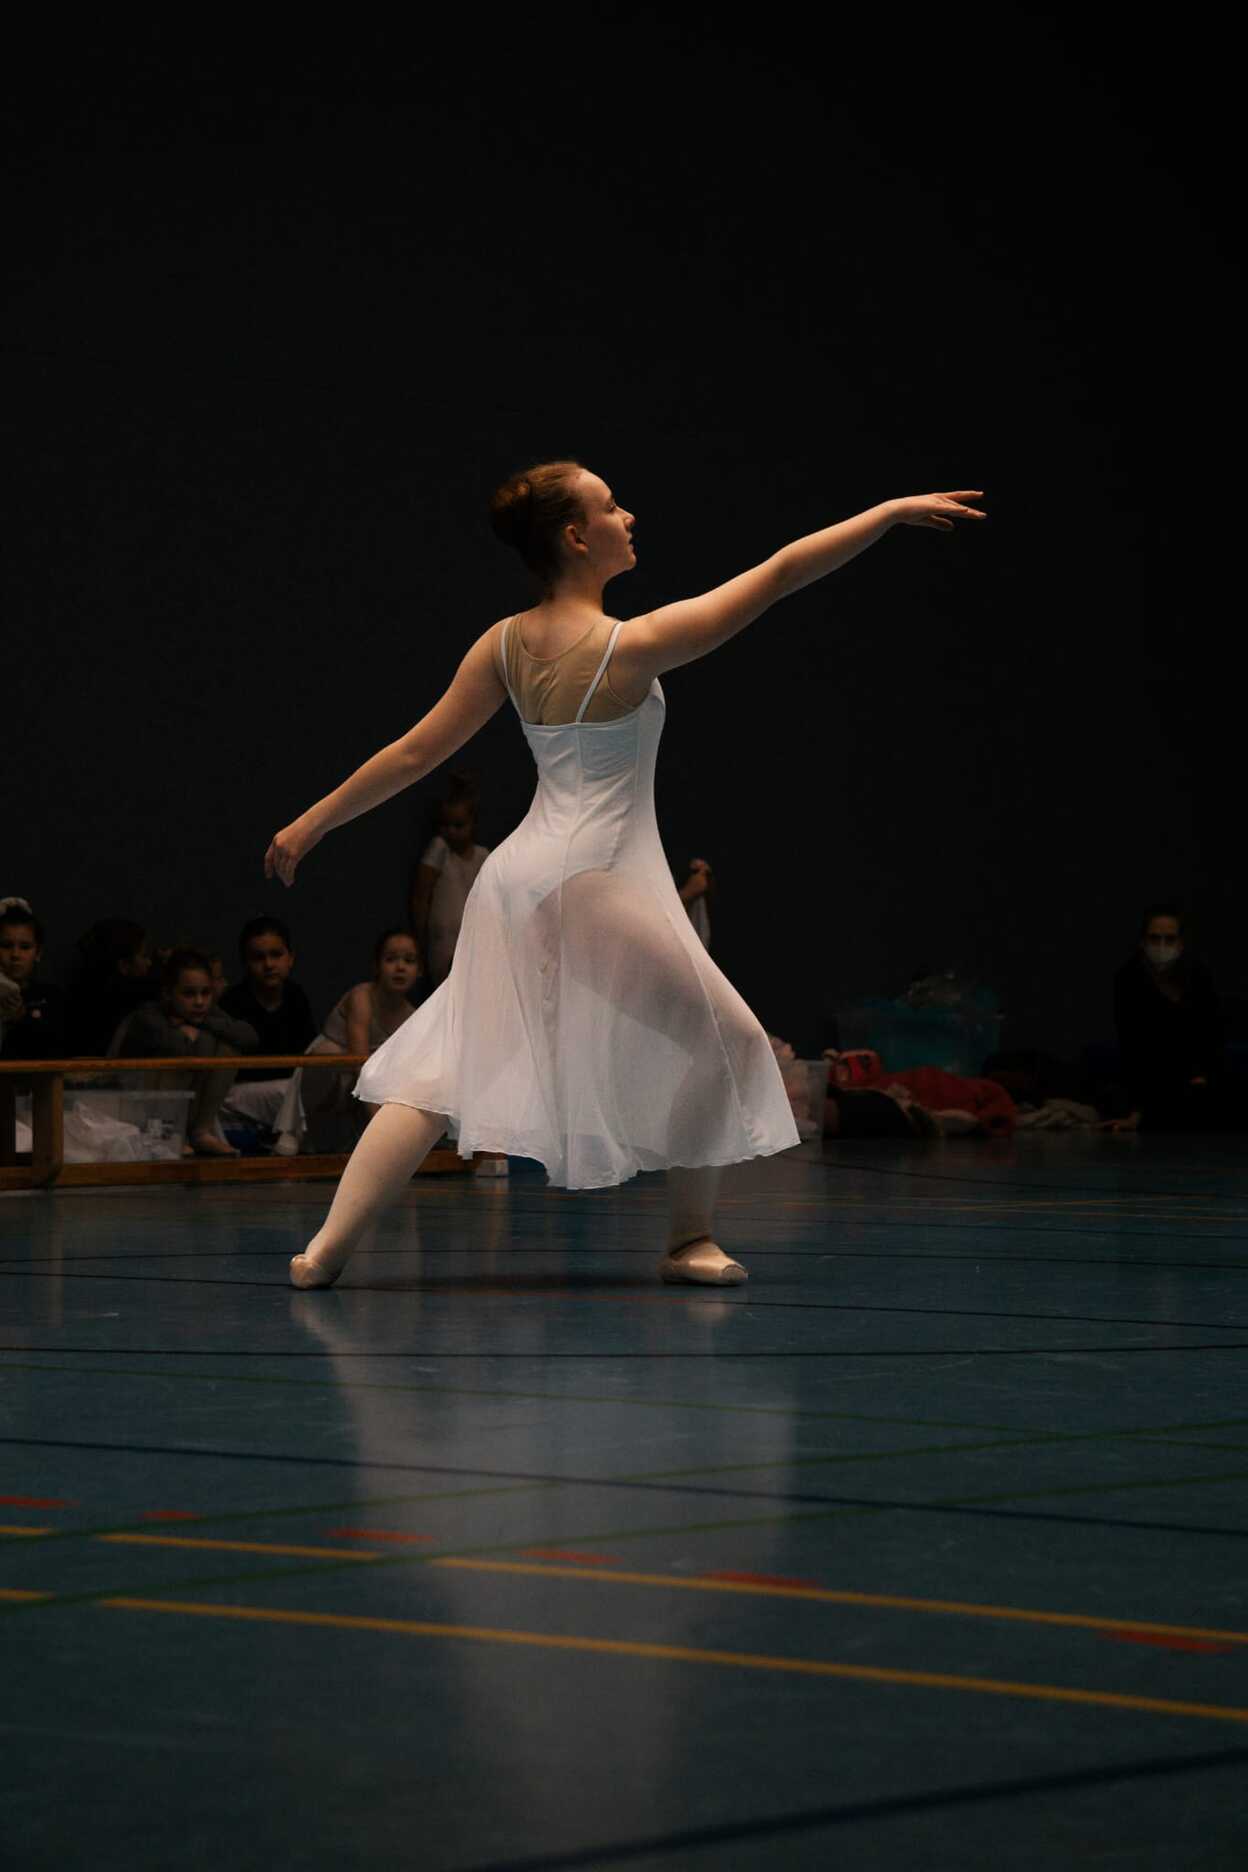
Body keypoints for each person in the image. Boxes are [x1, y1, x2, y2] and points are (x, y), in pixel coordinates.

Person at [264, 461, 986, 1289]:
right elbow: (781, 572)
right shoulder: (631, 647)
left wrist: (311, 822)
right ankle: (688, 1238)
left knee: (442, 1064)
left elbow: (413, 753)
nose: (629, 516)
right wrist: (885, 513)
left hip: (519, 878)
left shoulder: (503, 644)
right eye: (611, 507)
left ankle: (326, 1249)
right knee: (729, 1040)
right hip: (589, 879)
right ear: (576, 537)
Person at [270, 927, 421, 1155]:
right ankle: (299, 1132)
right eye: (391, 959)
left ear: (419, 970)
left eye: (409, 960)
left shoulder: (412, 1016)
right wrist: (380, 1126)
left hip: (367, 1083)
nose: (400, 967)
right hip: (330, 1073)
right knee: (329, 1054)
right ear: (376, 966)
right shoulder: (362, 997)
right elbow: (358, 1061)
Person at [1101, 904, 1234, 1133]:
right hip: (1153, 1078)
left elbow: (1212, 1033)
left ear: (1181, 943)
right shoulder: (1129, 979)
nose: (1162, 945)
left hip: (1195, 1078)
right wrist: (1137, 1109)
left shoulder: (1197, 975)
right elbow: (1133, 1045)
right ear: (1143, 942)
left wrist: (1203, 1073)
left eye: (1170, 939)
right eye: (1155, 938)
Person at [116, 947, 259, 1156]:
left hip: (186, 1108)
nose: (200, 1002)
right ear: (168, 993)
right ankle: (169, 1133)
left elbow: (249, 1037)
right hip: (135, 1109)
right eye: (189, 994)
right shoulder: (148, 1015)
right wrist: (187, 1032)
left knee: (228, 1047)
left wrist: (200, 1024)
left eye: (206, 993)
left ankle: (201, 1131)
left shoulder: (206, 1014)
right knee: (185, 1044)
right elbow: (175, 1046)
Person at [216, 916, 318, 1143]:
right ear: (245, 963)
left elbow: (307, 1052)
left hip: (289, 1088)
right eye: (258, 957)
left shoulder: (296, 996)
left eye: (276, 955)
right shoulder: (232, 1002)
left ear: (290, 958)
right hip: (242, 1093)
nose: (269, 964)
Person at [408, 771, 491, 989]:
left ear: (473, 823)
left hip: (473, 939)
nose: (451, 831)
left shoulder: (483, 855)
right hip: (443, 942)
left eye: (459, 825)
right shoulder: (439, 849)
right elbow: (421, 898)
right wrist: (419, 939)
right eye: (445, 825)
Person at [65, 917, 157, 1056]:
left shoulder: (78, 998)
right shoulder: (134, 1001)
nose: (149, 963)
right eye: (144, 956)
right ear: (124, 965)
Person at [0, 901, 67, 1059]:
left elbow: (58, 1049)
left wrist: (22, 1018)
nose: (15, 955)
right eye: (6, 945)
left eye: (25, 947)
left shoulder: (52, 997)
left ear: (38, 953)